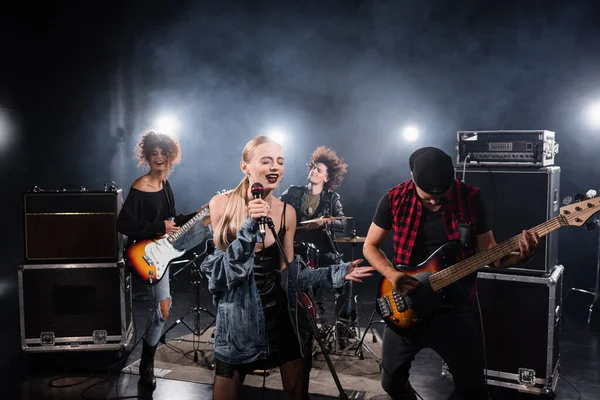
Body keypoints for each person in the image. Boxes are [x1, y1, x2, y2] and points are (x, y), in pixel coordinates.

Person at [201, 136, 374, 400]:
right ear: (245, 167)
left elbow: (291, 275)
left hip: (284, 315)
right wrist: (249, 225)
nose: (275, 168)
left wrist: (336, 272)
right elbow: (221, 277)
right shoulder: (221, 205)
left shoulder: (286, 212)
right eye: (266, 161)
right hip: (239, 320)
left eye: (280, 162)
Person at [362, 147, 540, 400]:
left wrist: (522, 257)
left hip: (454, 308)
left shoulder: (470, 198)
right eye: (427, 198)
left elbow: (492, 254)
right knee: (391, 383)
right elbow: (370, 246)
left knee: (473, 390)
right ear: (412, 178)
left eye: (441, 197)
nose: (435, 202)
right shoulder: (393, 198)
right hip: (406, 303)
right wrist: (394, 275)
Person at [117, 131, 210, 390]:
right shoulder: (140, 186)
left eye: (163, 153)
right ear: (147, 156)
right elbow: (123, 223)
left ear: (170, 157)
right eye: (154, 153)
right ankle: (147, 364)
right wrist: (159, 225)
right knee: (162, 312)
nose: (158, 157)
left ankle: (220, 237)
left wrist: (199, 211)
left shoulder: (165, 185)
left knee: (208, 220)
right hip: (147, 253)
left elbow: (174, 221)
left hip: (167, 248)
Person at [280, 146, 354, 338]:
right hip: (295, 251)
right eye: (313, 168)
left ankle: (344, 327)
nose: (314, 171)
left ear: (326, 178)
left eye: (319, 170)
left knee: (347, 277)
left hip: (322, 252)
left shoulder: (331, 198)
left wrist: (326, 221)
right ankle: (305, 322)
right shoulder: (293, 192)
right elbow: (276, 211)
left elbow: (343, 223)